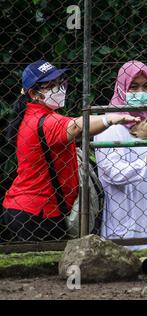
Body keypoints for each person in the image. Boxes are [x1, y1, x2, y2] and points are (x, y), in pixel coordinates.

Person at [1, 60, 139, 241]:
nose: (59, 89)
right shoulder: (45, 121)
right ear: (34, 94)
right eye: (51, 86)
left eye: (61, 83)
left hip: (23, 208)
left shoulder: (29, 115)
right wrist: (111, 119)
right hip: (38, 213)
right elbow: (76, 126)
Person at [94, 61, 147, 250]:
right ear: (121, 89)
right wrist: (145, 163)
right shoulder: (110, 126)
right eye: (134, 87)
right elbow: (111, 172)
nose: (141, 92)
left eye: (146, 86)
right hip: (128, 215)